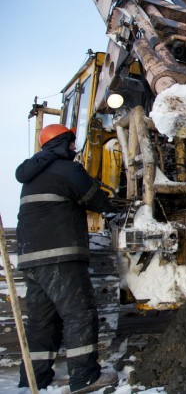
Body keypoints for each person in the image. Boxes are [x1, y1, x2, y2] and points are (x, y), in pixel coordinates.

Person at [15, 124, 118, 393]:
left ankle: (34, 379)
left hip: (30, 258)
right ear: (61, 143)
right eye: (71, 143)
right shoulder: (68, 170)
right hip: (61, 256)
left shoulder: (31, 175)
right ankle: (84, 377)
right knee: (79, 315)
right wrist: (114, 207)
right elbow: (96, 200)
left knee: (41, 321)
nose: (74, 148)